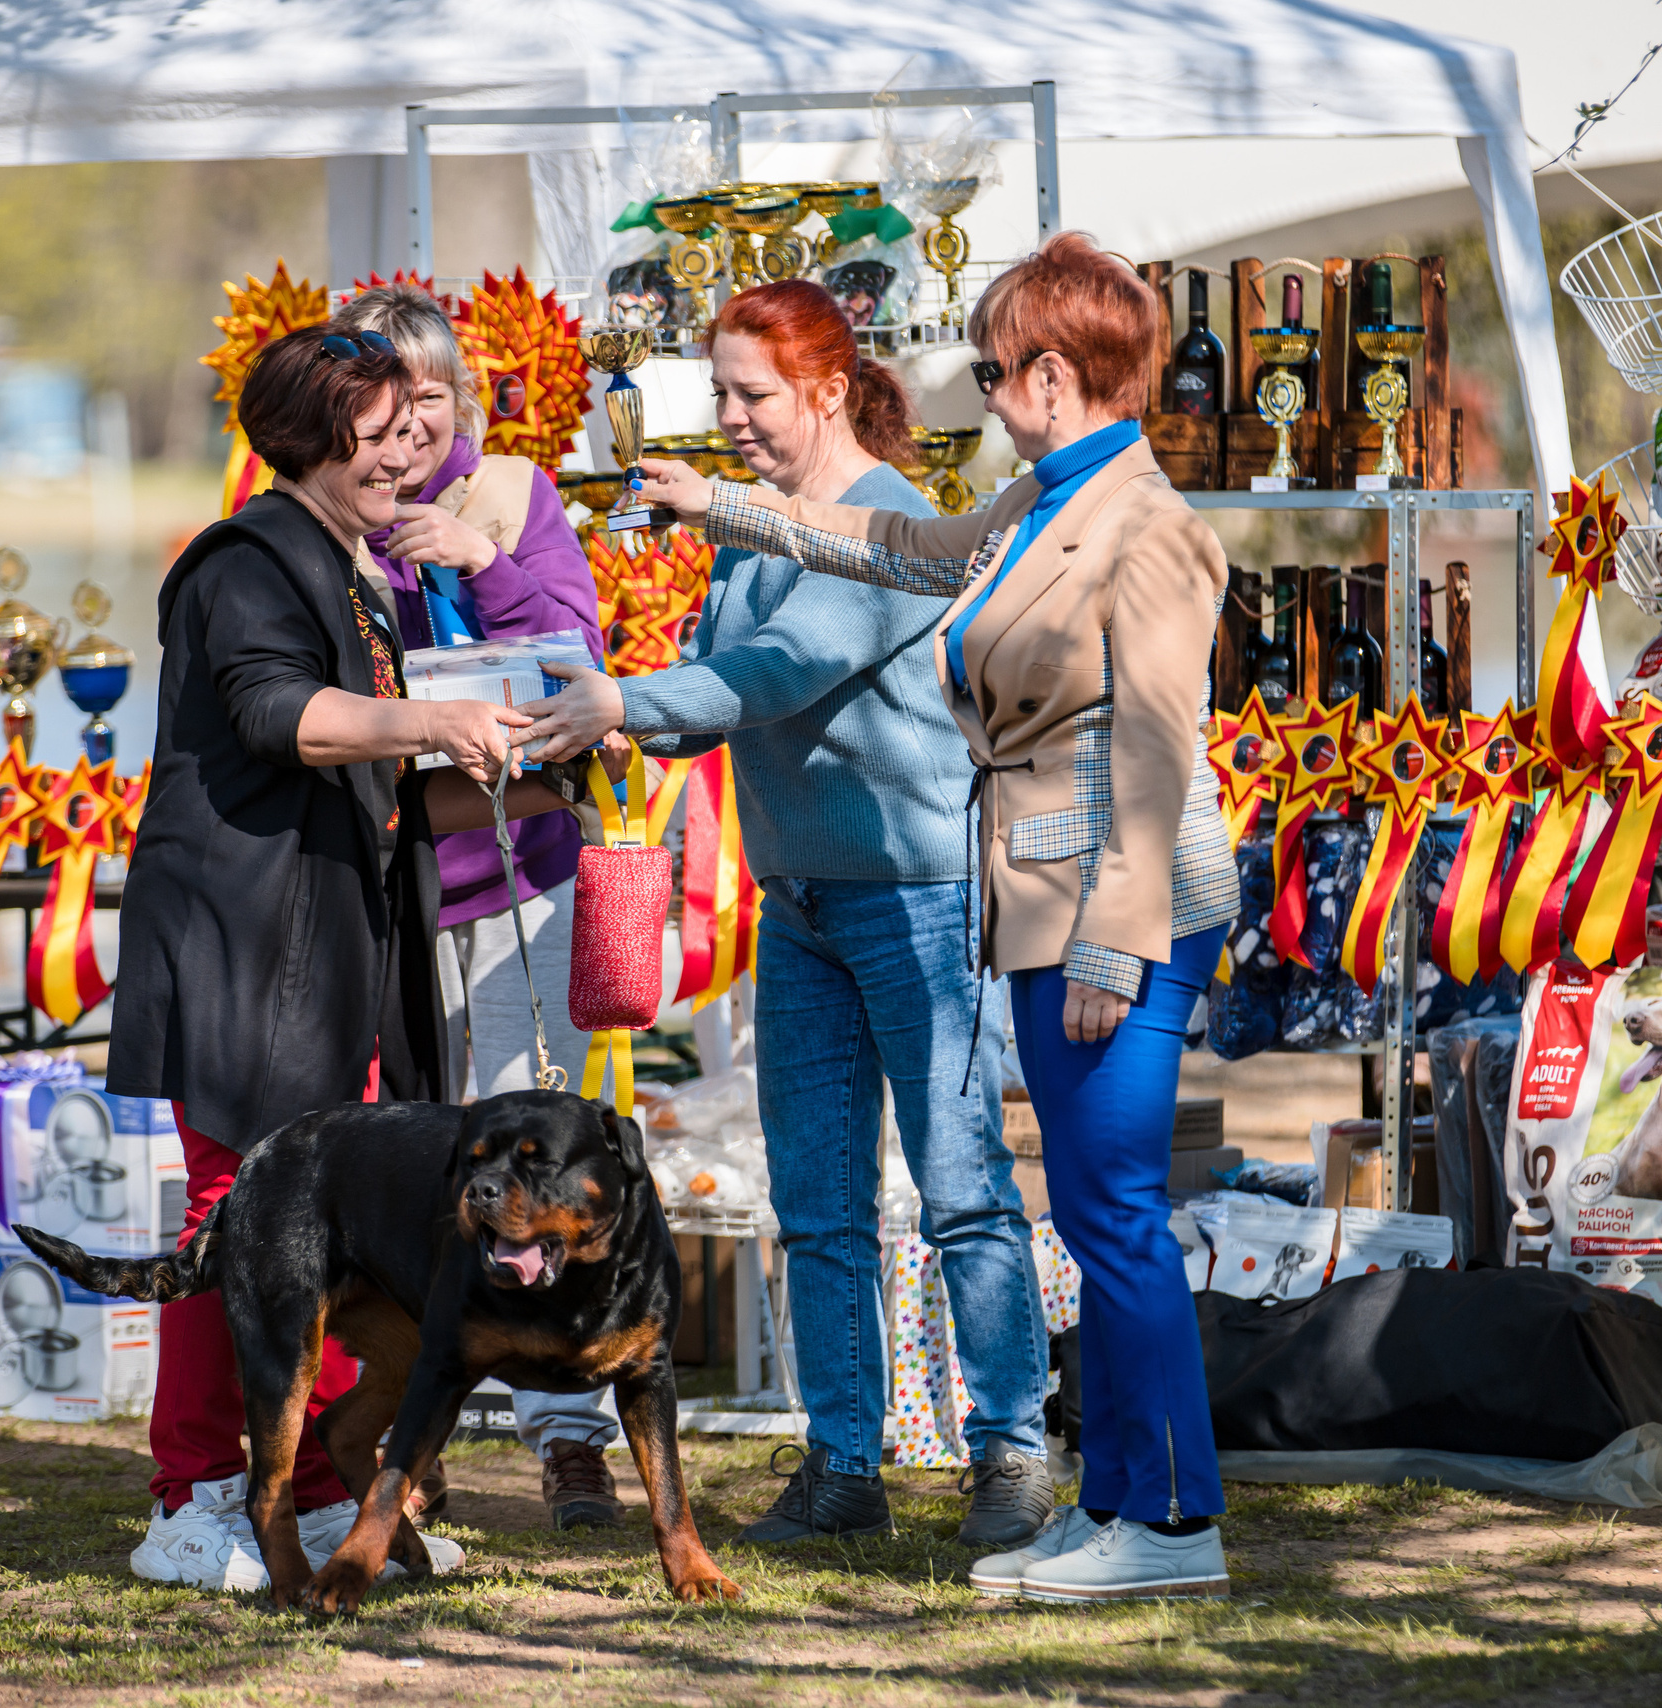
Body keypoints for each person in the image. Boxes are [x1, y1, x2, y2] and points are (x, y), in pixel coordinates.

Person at [628, 235, 1241, 1601]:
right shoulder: (1042, 495)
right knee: (1090, 1212)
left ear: (1051, 371)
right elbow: (906, 547)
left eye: (990, 366)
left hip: (1108, 900)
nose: (976, 390)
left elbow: (1153, 746)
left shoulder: (1148, 528)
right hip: (1037, 894)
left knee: (1116, 1215)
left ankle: (1175, 1524)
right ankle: (1119, 1502)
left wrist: (1109, 937)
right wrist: (724, 510)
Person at [520, 278, 1054, 1550]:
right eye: (718, 393)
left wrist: (622, 702)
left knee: (959, 1186)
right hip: (801, 906)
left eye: (751, 393)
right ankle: (842, 1466)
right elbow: (728, 682)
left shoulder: (894, 523)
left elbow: (774, 673)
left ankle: (1013, 1454)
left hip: (917, 903)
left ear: (826, 389)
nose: (730, 417)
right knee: (816, 1203)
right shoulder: (751, 524)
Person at [106, 323, 610, 1590]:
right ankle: (191, 1497)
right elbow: (283, 716)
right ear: (313, 437)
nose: (407, 453)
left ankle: (320, 1493)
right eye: (379, 433)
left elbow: (382, 785)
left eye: (411, 428)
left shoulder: (353, 571)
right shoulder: (245, 562)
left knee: (326, 1238)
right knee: (241, 1224)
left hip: (339, 952)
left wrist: (545, 783)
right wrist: (435, 714)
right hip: (240, 956)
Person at [328, 284, 628, 1532]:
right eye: (382, 407)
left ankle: (571, 1436)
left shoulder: (513, 499)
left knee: (536, 1159)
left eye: (430, 401)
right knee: (406, 1169)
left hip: (520, 880)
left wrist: (481, 562)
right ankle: (408, 1429)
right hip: (381, 894)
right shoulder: (305, 514)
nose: (407, 435)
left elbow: (578, 656)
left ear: (461, 401)